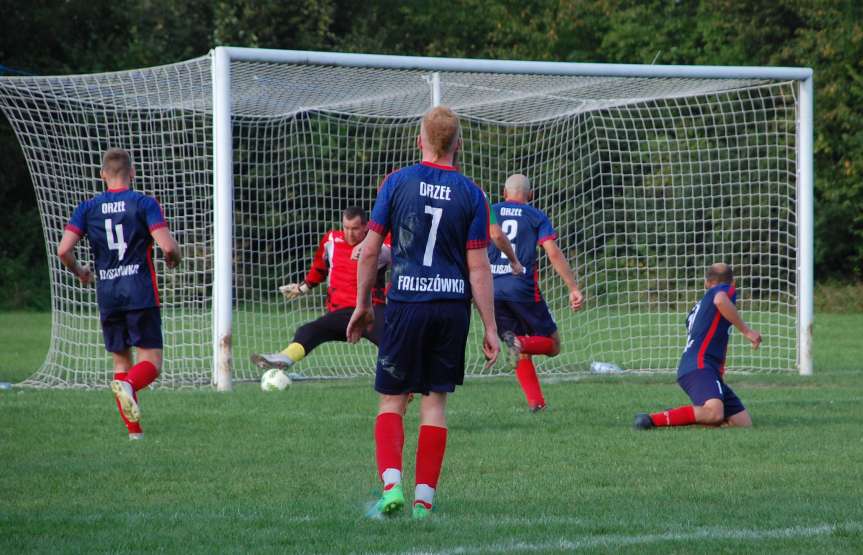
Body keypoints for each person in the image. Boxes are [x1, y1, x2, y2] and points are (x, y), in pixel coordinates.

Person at [347, 106, 499, 520]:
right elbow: (479, 267)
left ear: (420, 141)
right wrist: (490, 325)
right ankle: (424, 503)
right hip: (452, 309)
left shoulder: (397, 182)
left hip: (407, 304)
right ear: (458, 145)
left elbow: (372, 249)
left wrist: (362, 304)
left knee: (392, 400)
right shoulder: (473, 193)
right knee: (434, 405)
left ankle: (392, 485)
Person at [57, 148, 181, 440]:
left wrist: (80, 272)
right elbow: (167, 246)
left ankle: (134, 434)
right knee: (151, 361)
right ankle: (130, 387)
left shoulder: (87, 208)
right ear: (132, 173)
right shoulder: (143, 203)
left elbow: (63, 250)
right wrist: (175, 256)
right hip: (139, 290)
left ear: (102, 175)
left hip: (108, 293)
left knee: (121, 364)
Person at [250, 206, 390, 371]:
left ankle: (403, 384)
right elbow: (319, 268)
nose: (350, 233)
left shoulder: (378, 244)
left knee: (390, 341)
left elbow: (398, 259)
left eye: (355, 229)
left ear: (366, 226)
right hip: (341, 312)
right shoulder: (331, 240)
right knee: (309, 330)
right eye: (346, 228)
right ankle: (284, 359)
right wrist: (302, 288)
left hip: (370, 310)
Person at [487, 174, 583, 412]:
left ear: (503, 191)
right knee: (552, 345)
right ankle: (520, 342)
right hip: (523, 289)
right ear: (530, 195)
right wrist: (573, 287)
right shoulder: (535, 215)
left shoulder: (490, 212)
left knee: (519, 347)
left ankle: (536, 403)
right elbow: (553, 253)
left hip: (492, 291)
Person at [634, 263, 762, 429]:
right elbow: (720, 300)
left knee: (743, 423)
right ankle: (651, 419)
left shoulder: (699, 306)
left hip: (701, 367)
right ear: (733, 283)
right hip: (700, 365)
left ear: (706, 282)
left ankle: (679, 415)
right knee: (715, 414)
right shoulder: (723, 290)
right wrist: (747, 331)